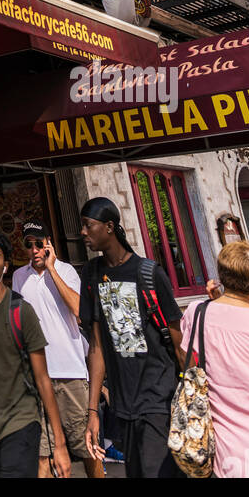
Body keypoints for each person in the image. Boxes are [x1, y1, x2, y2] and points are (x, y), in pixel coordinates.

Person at [79, 197, 185, 479]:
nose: (83, 233)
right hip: (122, 405)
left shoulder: (149, 273)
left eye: (89, 226)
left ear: (110, 227)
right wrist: (92, 411)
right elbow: (97, 347)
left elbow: (178, 343)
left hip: (158, 399)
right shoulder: (91, 274)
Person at [0, 228, 71, 479]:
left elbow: (42, 378)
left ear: (5, 266)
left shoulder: (22, 311)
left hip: (22, 421)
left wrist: (59, 445)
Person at [12, 220, 104, 479]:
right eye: (29, 245)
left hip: (70, 373)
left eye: (39, 244)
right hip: (36, 375)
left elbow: (79, 311)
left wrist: (52, 269)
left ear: (49, 243)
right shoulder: (19, 277)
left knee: (86, 447)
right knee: (42, 452)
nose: (34, 250)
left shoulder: (67, 271)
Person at [181, 240, 249, 478]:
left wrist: (216, 302)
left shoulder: (196, 313)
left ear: (222, 276)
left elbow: (191, 361)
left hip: (225, 458)